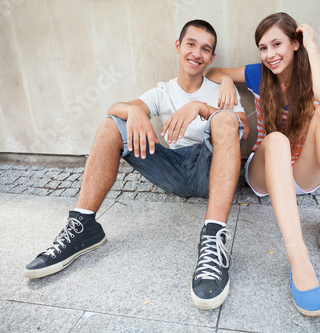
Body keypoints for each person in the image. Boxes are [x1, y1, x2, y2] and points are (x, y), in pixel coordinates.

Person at [23, 19, 250, 311]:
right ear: (178, 46)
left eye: (205, 49)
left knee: (225, 118)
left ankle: (213, 239)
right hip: (173, 169)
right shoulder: (163, 91)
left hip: (210, 167)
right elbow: (114, 109)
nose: (196, 53)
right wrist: (134, 112)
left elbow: (239, 128)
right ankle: (83, 226)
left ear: (212, 57)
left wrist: (201, 108)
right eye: (191, 44)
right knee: (112, 125)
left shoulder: (220, 89)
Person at [205, 12, 320, 317]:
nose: (270, 54)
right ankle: (299, 261)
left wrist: (311, 44)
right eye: (263, 47)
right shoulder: (259, 74)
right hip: (265, 172)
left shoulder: (310, 73)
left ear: (295, 43)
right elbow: (213, 72)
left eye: (277, 44)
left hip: (300, 173)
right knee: (278, 140)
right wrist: (229, 80)